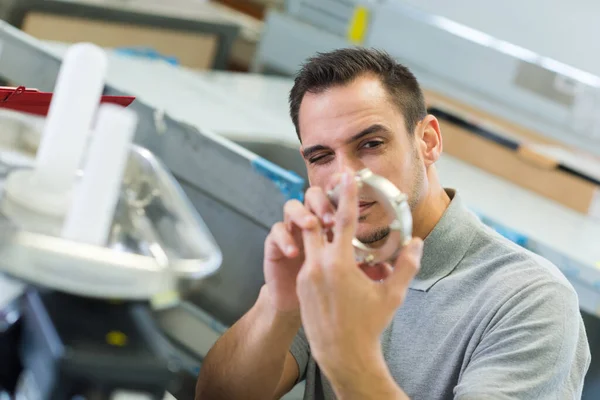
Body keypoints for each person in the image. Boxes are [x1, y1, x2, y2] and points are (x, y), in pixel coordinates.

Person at [195, 48, 591, 400]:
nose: (346, 179)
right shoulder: (336, 260)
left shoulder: (530, 299)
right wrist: (280, 302)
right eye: (321, 157)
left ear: (429, 141)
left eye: (370, 144)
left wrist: (349, 358)